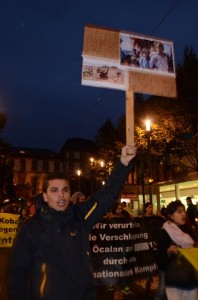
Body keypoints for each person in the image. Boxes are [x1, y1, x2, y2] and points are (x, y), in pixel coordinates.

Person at [7, 144, 137, 300]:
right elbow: (17, 273)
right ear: (45, 196)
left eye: (65, 190)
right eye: (54, 190)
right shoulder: (31, 228)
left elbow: (106, 195)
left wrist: (123, 163)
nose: (61, 195)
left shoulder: (79, 217)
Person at [156, 200, 198, 300]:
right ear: (170, 216)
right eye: (179, 212)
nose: (183, 214)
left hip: (192, 280)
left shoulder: (190, 230)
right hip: (174, 281)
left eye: (184, 211)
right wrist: (168, 252)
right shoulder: (164, 233)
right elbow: (160, 261)